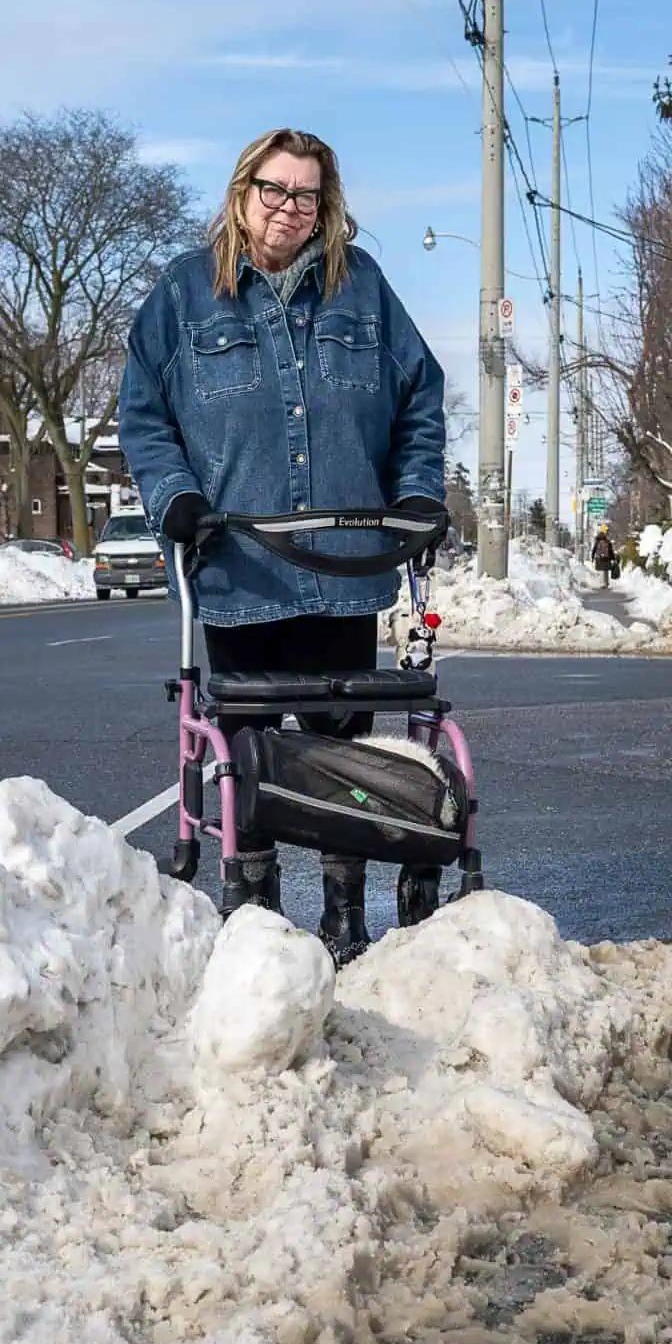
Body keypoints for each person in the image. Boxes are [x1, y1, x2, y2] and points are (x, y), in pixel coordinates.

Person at [119, 128, 448, 962]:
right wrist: (177, 499)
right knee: (249, 756)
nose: (288, 209)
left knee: (344, 756)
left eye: (306, 195)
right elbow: (143, 416)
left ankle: (346, 913)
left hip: (345, 570)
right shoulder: (186, 295)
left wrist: (416, 491)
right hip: (238, 570)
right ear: (242, 191)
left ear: (325, 206)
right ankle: (255, 915)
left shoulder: (362, 291)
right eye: (274, 190)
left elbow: (420, 396)